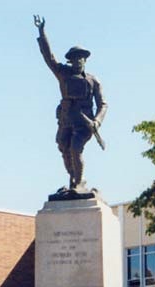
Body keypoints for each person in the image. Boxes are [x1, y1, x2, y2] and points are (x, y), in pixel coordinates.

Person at [34, 15, 108, 192]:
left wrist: (97, 121)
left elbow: (103, 104)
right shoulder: (63, 73)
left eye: (80, 58)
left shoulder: (93, 80)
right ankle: (74, 179)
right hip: (66, 118)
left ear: (85, 60)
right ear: (70, 61)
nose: (77, 61)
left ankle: (79, 181)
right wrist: (41, 32)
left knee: (76, 147)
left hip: (84, 122)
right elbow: (48, 57)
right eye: (74, 59)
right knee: (63, 147)